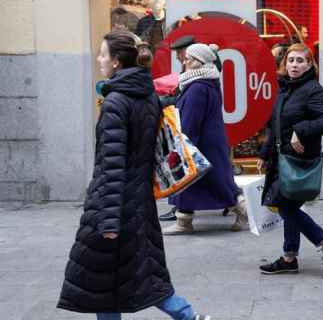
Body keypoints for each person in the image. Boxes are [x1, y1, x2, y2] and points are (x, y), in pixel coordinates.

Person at [57, 30, 211, 320]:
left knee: (117, 280)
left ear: (116, 62)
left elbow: (113, 166)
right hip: (138, 202)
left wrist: (109, 219)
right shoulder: (146, 95)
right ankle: (189, 316)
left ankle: (189, 317)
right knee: (133, 276)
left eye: (103, 54)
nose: (99, 59)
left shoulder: (116, 102)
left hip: (115, 205)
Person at [257, 43, 323, 275]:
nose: (294, 65)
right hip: (281, 158)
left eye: (300, 61)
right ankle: (289, 257)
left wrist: (301, 129)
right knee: (287, 206)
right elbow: (275, 125)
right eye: (291, 60)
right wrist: (265, 153)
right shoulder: (284, 88)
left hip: (298, 161)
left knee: (286, 207)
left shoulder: (312, 89)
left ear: (309, 65)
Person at [162, 43, 248, 234]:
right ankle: (185, 220)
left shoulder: (197, 87)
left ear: (200, 62)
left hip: (200, 143)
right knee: (214, 181)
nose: (185, 61)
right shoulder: (206, 82)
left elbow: (191, 121)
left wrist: (182, 146)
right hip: (209, 141)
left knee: (198, 181)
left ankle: (185, 222)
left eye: (189, 58)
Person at [159, 35, 196, 222]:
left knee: (182, 170)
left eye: (180, 53)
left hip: (188, 127)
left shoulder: (195, 71)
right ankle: (181, 209)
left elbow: (183, 99)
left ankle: (181, 210)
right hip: (183, 125)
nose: (178, 58)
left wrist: (163, 101)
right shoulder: (189, 69)